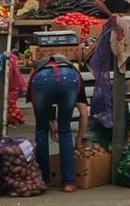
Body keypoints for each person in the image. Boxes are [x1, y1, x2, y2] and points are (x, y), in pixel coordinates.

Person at [27, 53, 86, 192]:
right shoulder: (75, 73)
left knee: (41, 130)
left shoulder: (36, 71)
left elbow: (39, 108)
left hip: (42, 79)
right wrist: (79, 141)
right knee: (65, 130)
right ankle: (68, 183)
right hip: (69, 79)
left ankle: (44, 180)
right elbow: (84, 113)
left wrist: (49, 126)